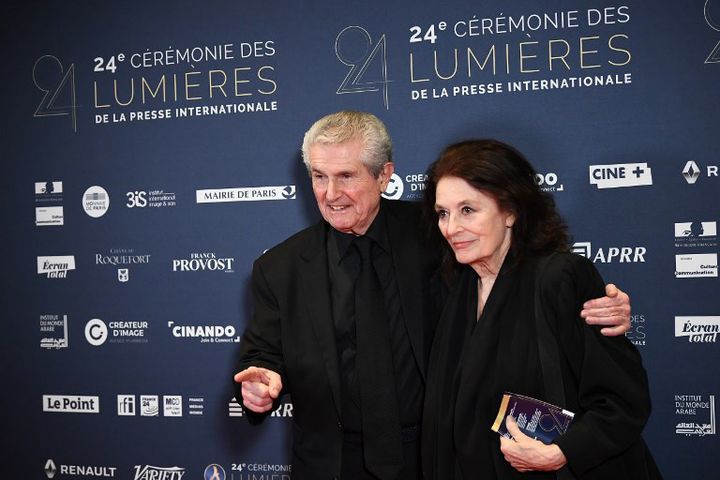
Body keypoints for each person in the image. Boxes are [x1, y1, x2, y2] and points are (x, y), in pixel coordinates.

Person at [234, 112, 632, 480]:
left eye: (346, 176)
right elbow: (262, 354)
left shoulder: (437, 237)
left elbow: (521, 271)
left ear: (384, 175)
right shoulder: (279, 267)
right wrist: (260, 381)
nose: (331, 193)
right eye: (319, 176)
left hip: (435, 457)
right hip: (332, 464)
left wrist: (601, 307)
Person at [421, 139, 661, 479]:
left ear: (510, 211)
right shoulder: (456, 287)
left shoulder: (560, 278)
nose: (452, 228)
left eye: (468, 210)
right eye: (443, 213)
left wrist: (563, 452)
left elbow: (622, 400)